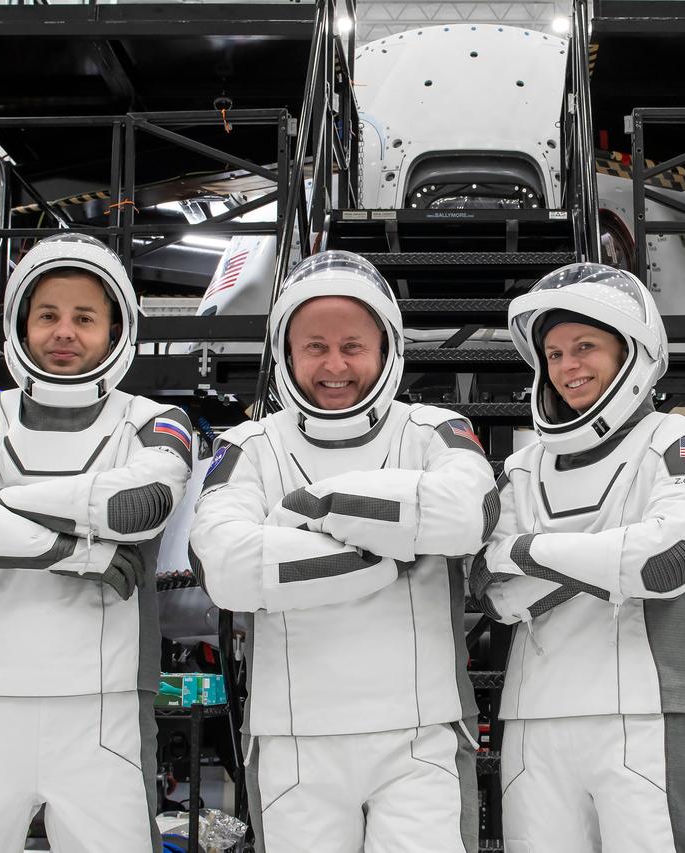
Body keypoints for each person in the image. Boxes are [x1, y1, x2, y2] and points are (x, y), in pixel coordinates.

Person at [0, 233, 193, 852]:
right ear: (21, 324)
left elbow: (138, 505)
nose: (64, 332)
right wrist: (75, 551)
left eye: (85, 318)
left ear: (115, 330)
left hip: (105, 710)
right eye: (48, 315)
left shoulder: (153, 420)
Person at [188, 250, 495, 853]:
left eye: (353, 346)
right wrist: (385, 549)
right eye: (315, 347)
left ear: (385, 348)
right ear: (285, 353)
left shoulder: (433, 429)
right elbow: (224, 566)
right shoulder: (250, 444)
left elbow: (467, 516)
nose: (334, 365)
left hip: (422, 736)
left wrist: (311, 509)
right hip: (293, 740)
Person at [472, 262, 685, 853]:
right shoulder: (521, 467)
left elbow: (664, 560)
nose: (568, 367)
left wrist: (524, 550)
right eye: (554, 355)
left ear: (633, 351)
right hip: (534, 717)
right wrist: (613, 550)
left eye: (585, 347)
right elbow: (493, 591)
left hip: (651, 711)